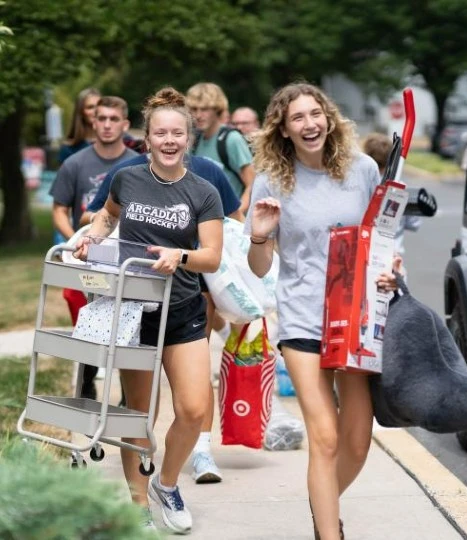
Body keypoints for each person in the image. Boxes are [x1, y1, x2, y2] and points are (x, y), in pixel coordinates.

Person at [245, 82, 401, 540]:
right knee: (326, 437)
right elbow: (259, 269)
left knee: (356, 440)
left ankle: (322, 512)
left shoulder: (363, 170)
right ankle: (330, 532)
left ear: (329, 118)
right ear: (284, 129)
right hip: (303, 319)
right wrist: (258, 235)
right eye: (298, 118)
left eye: (316, 114)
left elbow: (385, 237)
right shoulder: (272, 179)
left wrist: (391, 268)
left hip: (355, 317)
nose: (309, 124)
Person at [74, 87, 224, 533]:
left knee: (194, 409)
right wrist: (92, 237)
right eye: (161, 132)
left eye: (178, 132)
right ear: (148, 137)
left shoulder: (203, 190)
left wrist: (181, 257)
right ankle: (137, 501)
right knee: (138, 411)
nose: (169, 140)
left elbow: (212, 256)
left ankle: (168, 483)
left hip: (181, 309)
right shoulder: (127, 178)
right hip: (132, 307)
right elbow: (107, 214)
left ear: (188, 137)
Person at [50, 96, 137, 400]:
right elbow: (59, 209)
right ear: (93, 122)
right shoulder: (75, 163)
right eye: (102, 118)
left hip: (127, 255)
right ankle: (87, 377)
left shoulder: (137, 164)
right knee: (85, 314)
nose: (108, 125)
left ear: (125, 124)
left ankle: (128, 390)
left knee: (128, 319)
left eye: (115, 119)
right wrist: (77, 238)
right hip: (88, 253)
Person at [186, 82, 255, 213]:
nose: (198, 115)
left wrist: (236, 216)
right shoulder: (195, 140)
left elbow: (252, 184)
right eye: (194, 109)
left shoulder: (231, 139)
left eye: (205, 109)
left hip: (229, 222)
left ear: (217, 109)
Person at [363, 132, 422, 256]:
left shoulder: (361, 186)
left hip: (365, 252)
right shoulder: (401, 188)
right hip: (392, 256)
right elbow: (414, 223)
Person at [58, 88, 102, 164]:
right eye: (90, 107)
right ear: (81, 112)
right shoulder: (69, 149)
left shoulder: (116, 143)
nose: (96, 111)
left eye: (99, 106)